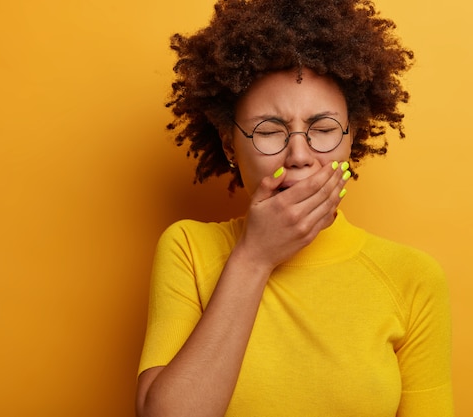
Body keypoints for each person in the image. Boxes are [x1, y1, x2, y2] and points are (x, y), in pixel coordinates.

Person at [136, 0, 453, 416]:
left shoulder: (412, 278)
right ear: (230, 144)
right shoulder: (188, 249)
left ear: (351, 137)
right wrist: (253, 258)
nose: (299, 155)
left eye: (322, 129)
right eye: (270, 131)